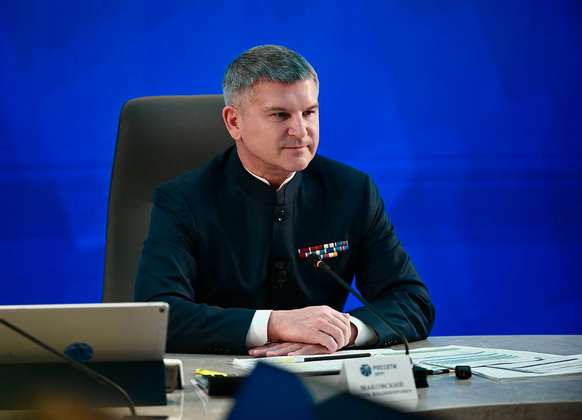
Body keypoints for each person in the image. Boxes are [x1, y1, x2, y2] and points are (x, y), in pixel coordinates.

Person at [135, 45, 435, 357]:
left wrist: (344, 332)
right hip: (216, 374)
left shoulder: (352, 191)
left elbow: (412, 301)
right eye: (280, 115)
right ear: (234, 122)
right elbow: (160, 315)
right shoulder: (182, 200)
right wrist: (274, 324)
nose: (301, 131)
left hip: (323, 373)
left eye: (309, 112)